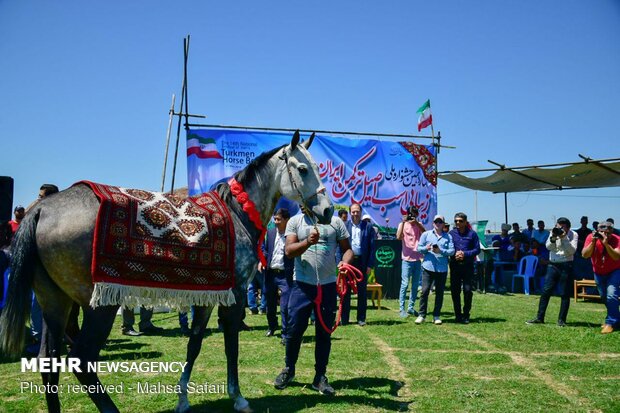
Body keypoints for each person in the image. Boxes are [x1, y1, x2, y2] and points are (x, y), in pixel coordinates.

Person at [274, 206, 352, 396]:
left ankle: (320, 377)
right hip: (302, 285)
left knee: (324, 333)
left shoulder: (336, 222)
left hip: (327, 285)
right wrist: (307, 242)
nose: (302, 204)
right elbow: (289, 251)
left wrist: (345, 262)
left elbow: (347, 249)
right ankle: (289, 369)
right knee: (294, 331)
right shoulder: (295, 221)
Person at [527, 217, 578, 327]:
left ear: (568, 227)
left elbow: (572, 251)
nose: (559, 229)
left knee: (564, 293)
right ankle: (539, 317)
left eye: (562, 227)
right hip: (553, 264)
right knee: (546, 291)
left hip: (566, 264)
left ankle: (561, 320)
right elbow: (548, 247)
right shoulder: (553, 232)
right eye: (558, 226)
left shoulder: (573, 235)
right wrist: (554, 237)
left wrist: (564, 238)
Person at [415, 215, 455, 325]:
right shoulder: (426, 234)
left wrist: (440, 251)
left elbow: (452, 251)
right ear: (433, 223)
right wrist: (426, 249)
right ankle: (421, 315)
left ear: (443, 224)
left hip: (441, 269)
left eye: (440, 222)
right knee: (424, 291)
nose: (438, 224)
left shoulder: (448, 237)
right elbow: (418, 248)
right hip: (428, 267)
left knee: (439, 293)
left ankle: (436, 315)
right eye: (436, 222)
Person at [581, 221, 620, 334]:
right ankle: (616, 318)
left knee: (611, 295)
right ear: (598, 231)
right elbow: (585, 255)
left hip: (614, 271)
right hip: (598, 272)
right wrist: (593, 241)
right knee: (604, 297)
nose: (604, 235)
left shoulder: (617, 239)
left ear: (612, 231)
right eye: (602, 232)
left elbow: (616, 257)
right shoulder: (591, 237)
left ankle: (610, 322)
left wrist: (606, 244)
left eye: (607, 232)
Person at [262, 208, 294, 343]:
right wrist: (262, 260)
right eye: (275, 219)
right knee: (269, 304)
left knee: (285, 306)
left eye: (278, 219)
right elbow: (264, 248)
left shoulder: (292, 235)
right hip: (270, 273)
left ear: (286, 220)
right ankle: (272, 325)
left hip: (285, 275)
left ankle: (285, 333)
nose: (275, 222)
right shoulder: (270, 232)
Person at [342, 203, 375, 326]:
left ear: (361, 212)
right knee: (346, 291)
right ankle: (344, 319)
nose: (355, 214)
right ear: (350, 212)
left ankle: (361, 318)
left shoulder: (368, 227)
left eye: (357, 211)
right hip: (348, 262)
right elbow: (340, 246)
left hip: (362, 262)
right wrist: (341, 262)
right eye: (353, 212)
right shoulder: (344, 226)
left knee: (362, 291)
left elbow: (372, 248)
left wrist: (369, 265)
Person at [449, 213, 480, 324]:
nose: (458, 223)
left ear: (466, 222)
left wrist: (465, 254)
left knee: (467, 291)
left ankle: (466, 314)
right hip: (455, 266)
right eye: (456, 220)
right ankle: (458, 315)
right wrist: (455, 255)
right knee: (455, 291)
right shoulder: (451, 234)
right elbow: (447, 248)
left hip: (468, 266)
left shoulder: (472, 234)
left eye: (460, 221)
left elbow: (477, 250)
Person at [396, 206, 425, 318]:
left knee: (415, 286)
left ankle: (411, 308)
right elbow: (398, 237)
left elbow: (424, 232)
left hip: (417, 259)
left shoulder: (419, 224)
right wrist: (403, 222)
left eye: (415, 213)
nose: (413, 216)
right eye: (411, 214)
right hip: (406, 259)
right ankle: (401, 309)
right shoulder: (402, 224)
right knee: (404, 284)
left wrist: (416, 222)